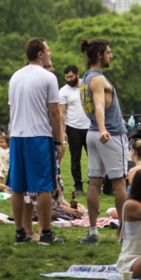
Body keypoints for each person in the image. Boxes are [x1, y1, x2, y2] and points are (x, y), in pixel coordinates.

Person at [7, 37, 66, 246]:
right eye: (48, 50)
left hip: (17, 137)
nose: (50, 53)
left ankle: (19, 233)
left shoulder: (14, 77)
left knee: (17, 187)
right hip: (39, 137)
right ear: (40, 54)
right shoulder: (48, 77)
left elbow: (11, 109)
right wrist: (59, 141)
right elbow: (54, 112)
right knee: (44, 186)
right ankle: (46, 233)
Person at [79, 38, 128, 245]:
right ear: (99, 55)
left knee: (94, 183)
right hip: (109, 135)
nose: (111, 55)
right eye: (108, 52)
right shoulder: (98, 79)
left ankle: (92, 233)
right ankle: (124, 235)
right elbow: (99, 106)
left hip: (92, 135)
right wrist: (102, 129)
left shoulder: (85, 78)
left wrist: (97, 130)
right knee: (119, 184)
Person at [59, 65, 90, 195]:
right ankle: (78, 186)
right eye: (66, 77)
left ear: (78, 74)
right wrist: (62, 130)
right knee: (75, 159)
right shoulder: (63, 91)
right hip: (73, 128)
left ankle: (95, 184)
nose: (68, 79)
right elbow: (61, 113)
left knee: (94, 158)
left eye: (71, 76)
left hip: (90, 127)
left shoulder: (87, 85)